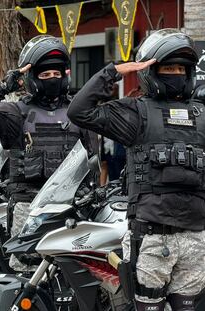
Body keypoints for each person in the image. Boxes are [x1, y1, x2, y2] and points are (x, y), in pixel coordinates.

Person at [67, 28, 205, 311]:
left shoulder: (201, 115)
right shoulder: (135, 112)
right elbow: (79, 111)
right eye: (168, 67)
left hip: (195, 238)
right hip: (152, 238)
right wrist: (113, 71)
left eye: (181, 68)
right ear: (151, 71)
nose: (176, 73)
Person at [0, 35, 96, 269]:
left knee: (69, 276)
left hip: (70, 209)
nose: (51, 79)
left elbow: (92, 161)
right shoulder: (14, 112)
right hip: (28, 208)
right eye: (44, 75)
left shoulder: (77, 113)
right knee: (26, 276)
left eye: (56, 74)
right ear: (31, 78)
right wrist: (1, 89)